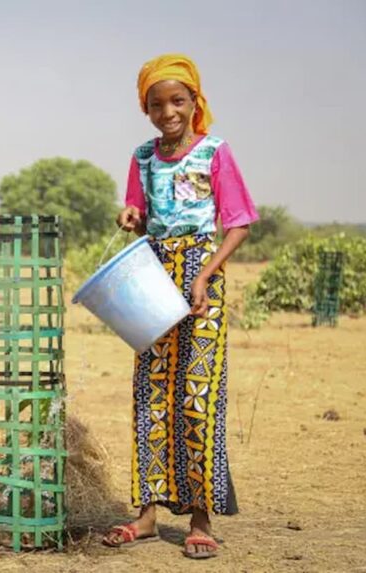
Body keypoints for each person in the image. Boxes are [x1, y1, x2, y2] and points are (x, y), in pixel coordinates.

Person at [102, 54, 258, 560]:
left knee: (197, 394)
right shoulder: (142, 158)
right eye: (156, 104)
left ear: (195, 101)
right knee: (150, 393)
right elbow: (140, 215)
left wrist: (205, 275)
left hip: (201, 279)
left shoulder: (215, 152)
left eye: (177, 101)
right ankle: (146, 516)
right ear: (145, 108)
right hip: (152, 276)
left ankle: (200, 518)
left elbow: (238, 223)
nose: (167, 112)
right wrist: (131, 217)